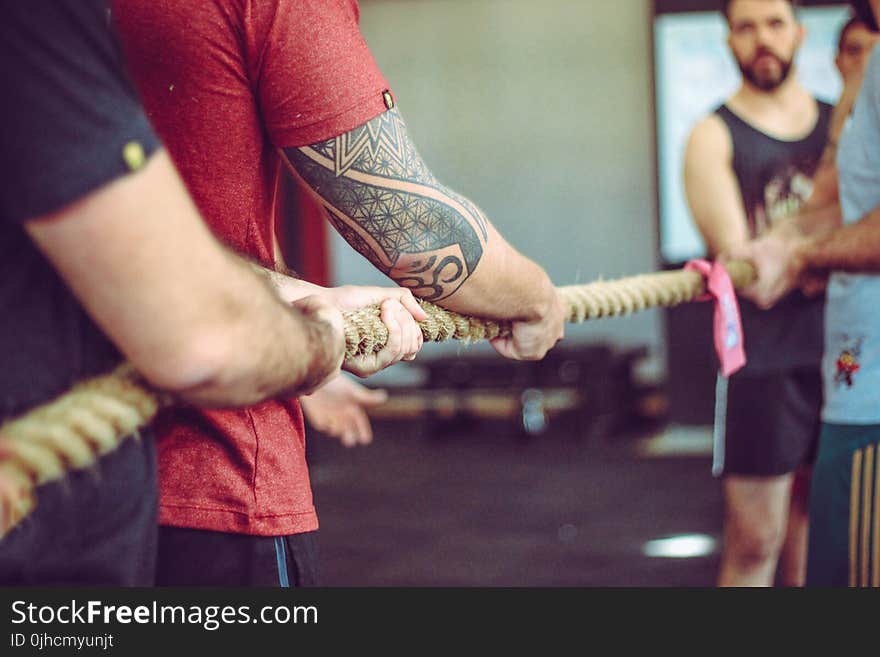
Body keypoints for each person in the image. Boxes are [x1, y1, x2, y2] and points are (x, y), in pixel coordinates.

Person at [112, 0, 566, 586]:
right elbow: (415, 231)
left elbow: (120, 238)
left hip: (34, 474)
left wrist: (298, 328)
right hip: (202, 471)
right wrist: (537, 299)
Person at [0, 0, 396, 584]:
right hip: (180, 481)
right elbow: (413, 228)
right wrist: (316, 346)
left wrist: (292, 323)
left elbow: (122, 253)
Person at [728, 0, 880, 586]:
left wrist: (800, 255)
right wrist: (781, 244)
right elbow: (838, 202)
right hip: (842, 378)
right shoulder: (870, 71)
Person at [682, 0, 832, 586]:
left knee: (819, 528)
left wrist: (805, 257)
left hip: (842, 351)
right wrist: (828, 256)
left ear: (797, 33)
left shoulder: (837, 127)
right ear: (729, 41)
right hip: (761, 361)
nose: (761, 39)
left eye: (774, 24)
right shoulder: (711, 135)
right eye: (745, 28)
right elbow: (751, 271)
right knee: (756, 538)